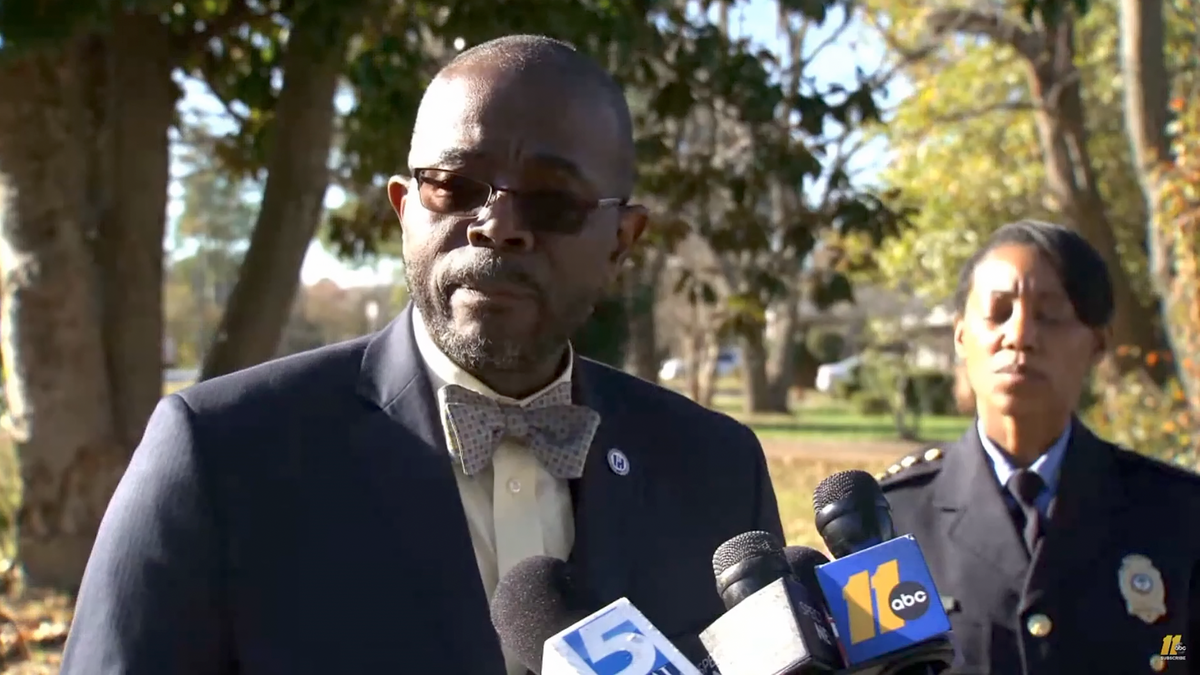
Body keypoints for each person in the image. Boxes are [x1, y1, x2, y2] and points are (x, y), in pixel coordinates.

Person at [61, 35, 783, 675]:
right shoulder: (220, 454)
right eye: (454, 186)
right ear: (406, 208)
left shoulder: (716, 469)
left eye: (552, 200)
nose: (497, 225)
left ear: (624, 241)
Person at [878, 220, 1200, 674]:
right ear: (961, 335)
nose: (1020, 336)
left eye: (1050, 316)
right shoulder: (892, 522)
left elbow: (1177, 652)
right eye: (997, 312)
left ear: (1098, 343)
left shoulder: (1177, 514)